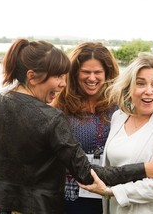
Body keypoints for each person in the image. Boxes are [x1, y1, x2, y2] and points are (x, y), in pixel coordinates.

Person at [0, 39, 153, 214]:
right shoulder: (51, 116)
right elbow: (86, 173)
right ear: (32, 76)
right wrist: (144, 169)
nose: (63, 83)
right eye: (58, 77)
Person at [78, 52, 153, 214]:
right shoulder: (119, 117)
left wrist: (111, 192)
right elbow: (111, 168)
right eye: (141, 83)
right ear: (129, 87)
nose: (149, 91)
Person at [53, 42, 119, 214]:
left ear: (107, 73)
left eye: (98, 72)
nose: (92, 78)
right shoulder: (60, 105)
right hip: (71, 195)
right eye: (86, 72)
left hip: (110, 190)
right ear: (74, 73)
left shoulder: (119, 105)